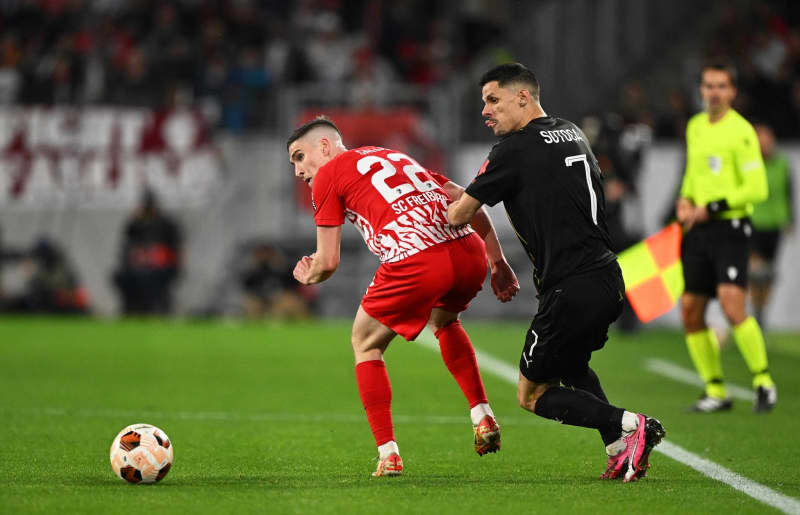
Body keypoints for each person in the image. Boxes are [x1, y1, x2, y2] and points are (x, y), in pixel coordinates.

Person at [446, 62, 665, 483]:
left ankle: (631, 425)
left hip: (571, 286)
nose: (486, 111)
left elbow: (459, 215)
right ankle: (621, 451)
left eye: (493, 100)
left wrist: (453, 194)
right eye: (483, 103)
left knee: (530, 394)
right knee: (572, 366)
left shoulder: (514, 149)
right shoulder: (572, 131)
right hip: (607, 277)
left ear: (523, 97)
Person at [287, 116, 520, 477]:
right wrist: (497, 259)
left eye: (299, 157)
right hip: (466, 251)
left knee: (365, 343)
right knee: (444, 321)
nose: (298, 170)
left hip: (417, 259)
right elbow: (463, 197)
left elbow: (328, 262)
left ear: (325, 147)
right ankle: (482, 414)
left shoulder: (330, 176)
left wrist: (308, 273)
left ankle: (388, 454)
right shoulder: (391, 155)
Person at [675, 63, 777, 413]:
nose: (714, 92)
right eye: (708, 85)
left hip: (730, 228)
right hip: (698, 230)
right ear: (701, 90)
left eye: (721, 86)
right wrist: (685, 200)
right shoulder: (695, 126)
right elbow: (693, 174)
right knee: (690, 310)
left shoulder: (742, 131)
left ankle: (763, 381)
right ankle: (715, 390)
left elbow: (757, 187)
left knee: (733, 305)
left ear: (732, 92)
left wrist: (713, 207)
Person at [748, 122, 793, 329]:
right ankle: (753, 311)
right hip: (754, 222)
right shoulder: (750, 164)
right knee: (755, 271)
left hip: (774, 224)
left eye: (767, 139)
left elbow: (789, 193)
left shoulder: (782, 164)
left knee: (768, 274)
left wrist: (791, 219)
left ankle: (760, 312)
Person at [112, 189, 183, 315]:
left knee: (150, 277)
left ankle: (156, 309)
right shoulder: (135, 224)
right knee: (122, 276)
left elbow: (175, 251)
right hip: (139, 267)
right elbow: (127, 248)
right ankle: (131, 309)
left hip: (161, 267)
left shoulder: (166, 225)